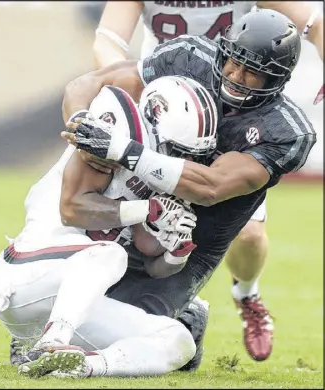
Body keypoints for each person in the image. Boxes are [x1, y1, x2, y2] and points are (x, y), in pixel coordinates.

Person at [92, 0, 323, 362]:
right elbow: (106, 43)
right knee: (102, 209)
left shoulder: (285, 129)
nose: (238, 75)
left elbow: (315, 25)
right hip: (166, 99)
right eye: (236, 65)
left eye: (252, 72)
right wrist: (120, 111)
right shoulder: (187, 53)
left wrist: (124, 150)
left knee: (246, 235)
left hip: (224, 138)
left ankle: (246, 295)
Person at [0, 78, 216, 378]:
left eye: (193, 155)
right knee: (110, 253)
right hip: (27, 273)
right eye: (179, 150)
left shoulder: (159, 174)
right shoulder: (117, 130)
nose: (185, 162)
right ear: (154, 121)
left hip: (71, 305)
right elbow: (72, 209)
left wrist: (175, 251)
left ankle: (82, 366)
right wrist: (148, 210)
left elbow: (150, 258)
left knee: (178, 341)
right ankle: (52, 343)